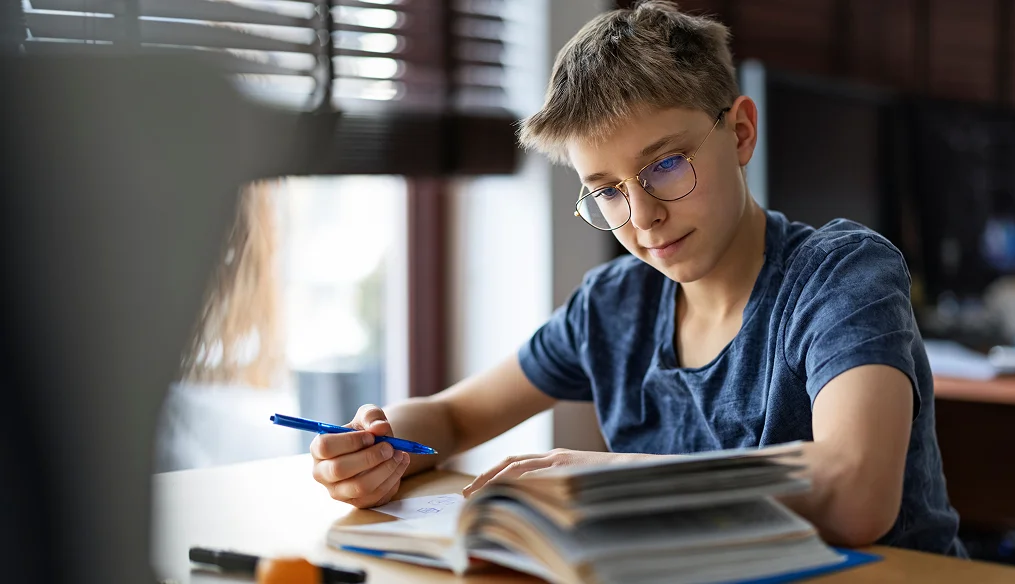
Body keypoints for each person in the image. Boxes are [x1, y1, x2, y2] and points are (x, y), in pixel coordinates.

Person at [308, 0, 964, 555]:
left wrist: (614, 480)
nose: (643, 216)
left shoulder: (841, 274)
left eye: (667, 165)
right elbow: (453, 417)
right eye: (606, 191)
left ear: (740, 133)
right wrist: (380, 446)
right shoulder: (614, 305)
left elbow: (856, 491)